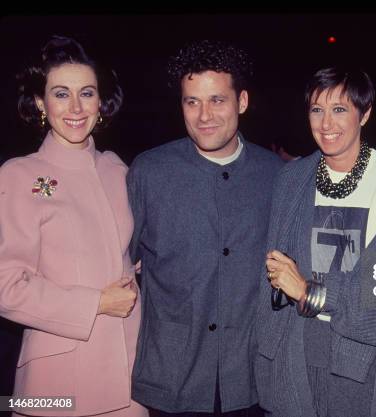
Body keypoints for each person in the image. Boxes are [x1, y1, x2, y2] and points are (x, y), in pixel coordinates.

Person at [255, 67, 376, 417]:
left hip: (371, 366)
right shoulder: (291, 179)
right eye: (316, 109)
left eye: (340, 109)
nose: (326, 123)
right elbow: (272, 289)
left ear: (364, 113)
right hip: (299, 358)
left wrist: (310, 291)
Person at [127, 40, 283, 416]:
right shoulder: (149, 172)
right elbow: (121, 264)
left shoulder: (276, 176)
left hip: (250, 382)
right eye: (191, 101)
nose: (204, 115)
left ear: (241, 102)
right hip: (172, 381)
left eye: (217, 100)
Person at [0, 36, 146, 417]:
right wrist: (96, 303)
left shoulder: (118, 169)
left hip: (130, 373)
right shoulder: (19, 175)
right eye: (61, 94)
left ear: (101, 103)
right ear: (39, 103)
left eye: (87, 93)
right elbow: (6, 286)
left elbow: (126, 249)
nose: (76, 108)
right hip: (55, 383)